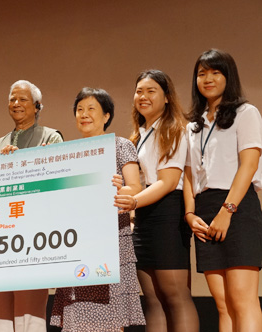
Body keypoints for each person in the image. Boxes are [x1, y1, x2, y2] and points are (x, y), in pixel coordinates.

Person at [50, 87, 145, 332]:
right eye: (79, 109)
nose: (84, 114)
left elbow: (135, 188)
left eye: (91, 108)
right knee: (76, 317)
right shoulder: (68, 153)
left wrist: (120, 188)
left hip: (110, 243)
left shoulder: (121, 145)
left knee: (111, 318)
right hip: (77, 244)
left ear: (106, 116)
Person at [183, 49, 262, 332]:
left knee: (243, 299)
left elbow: (249, 165)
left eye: (216, 72)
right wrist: (190, 214)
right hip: (204, 209)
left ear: (229, 77)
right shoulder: (194, 125)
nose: (208, 78)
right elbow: (190, 174)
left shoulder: (246, 113)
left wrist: (228, 211)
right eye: (202, 73)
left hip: (236, 206)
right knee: (222, 304)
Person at [114, 70, 199, 332]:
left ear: (166, 97)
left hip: (167, 213)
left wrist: (133, 202)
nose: (143, 96)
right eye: (139, 91)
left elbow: (168, 182)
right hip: (144, 215)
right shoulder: (138, 135)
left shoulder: (173, 129)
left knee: (176, 297)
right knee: (152, 299)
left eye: (151, 91)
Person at [0, 79, 63, 332]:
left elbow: (56, 180)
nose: (16, 104)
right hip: (1, 234)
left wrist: (21, 163)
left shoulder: (51, 137)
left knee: (30, 306)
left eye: (23, 99)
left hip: (34, 233)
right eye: (12, 99)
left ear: (37, 106)